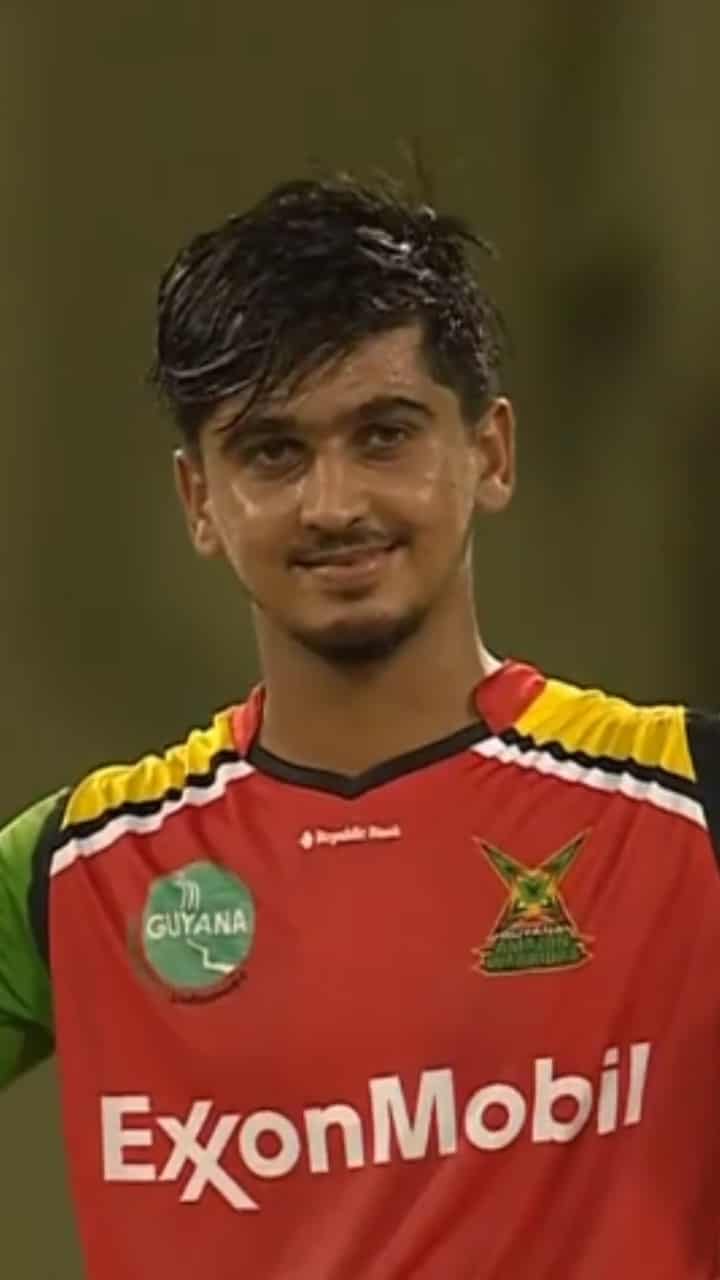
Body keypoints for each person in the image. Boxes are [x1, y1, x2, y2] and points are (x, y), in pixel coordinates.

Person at [1, 175, 719, 1280]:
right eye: (271, 452)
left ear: (491, 453)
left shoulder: (687, 802)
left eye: (384, 435)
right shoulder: (77, 870)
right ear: (199, 500)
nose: (333, 504)